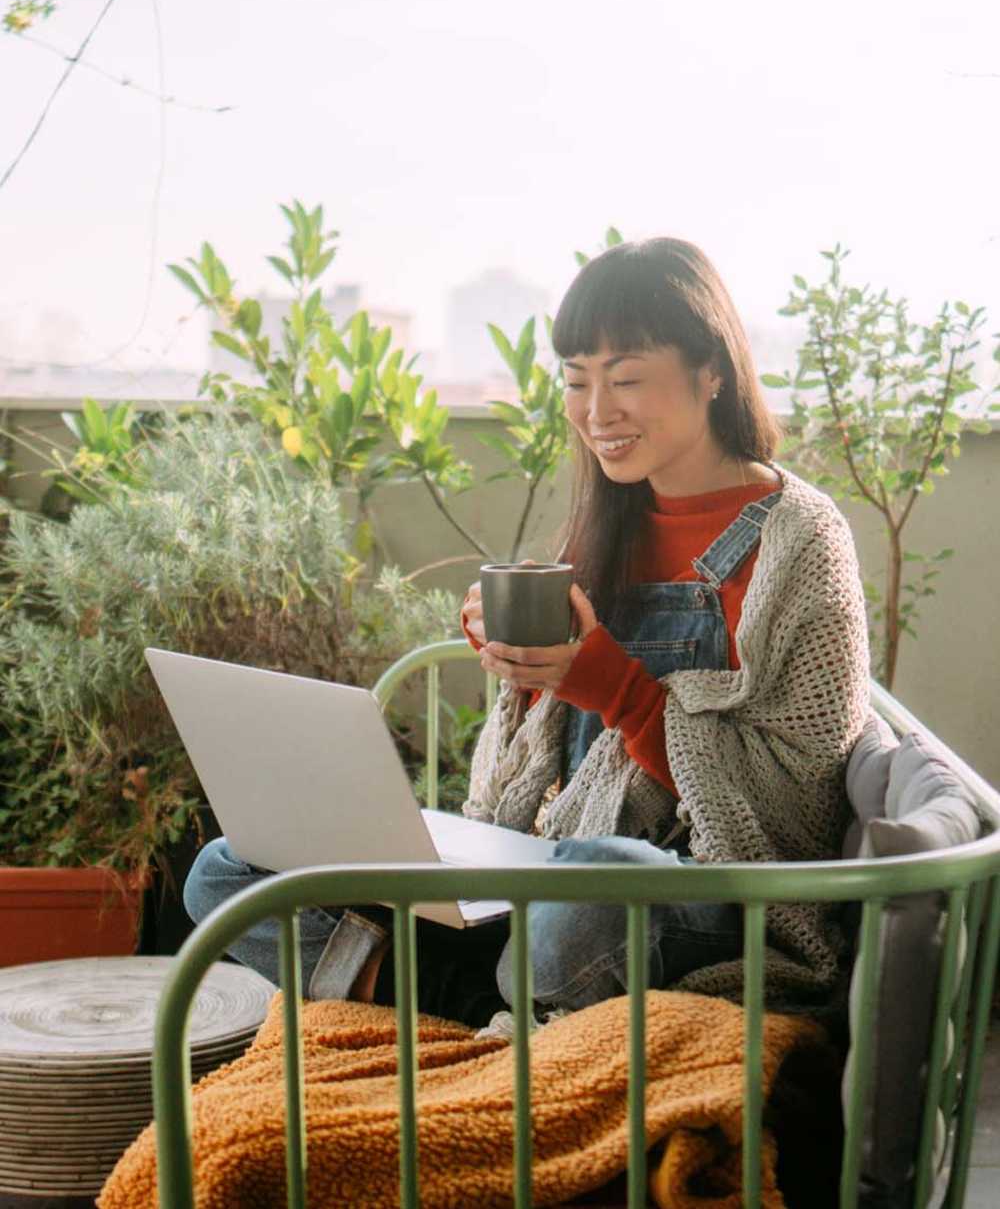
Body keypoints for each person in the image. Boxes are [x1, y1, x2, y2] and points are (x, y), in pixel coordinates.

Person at [185, 237, 873, 1021]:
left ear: (711, 371)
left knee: (592, 883)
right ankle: (490, 998)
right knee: (226, 871)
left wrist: (612, 688)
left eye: (627, 379)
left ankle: (460, 989)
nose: (596, 412)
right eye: (577, 382)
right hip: (552, 883)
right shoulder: (610, 520)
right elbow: (558, 760)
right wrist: (518, 663)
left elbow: (797, 804)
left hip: (707, 898)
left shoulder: (802, 538)